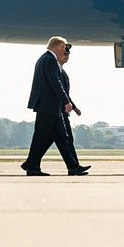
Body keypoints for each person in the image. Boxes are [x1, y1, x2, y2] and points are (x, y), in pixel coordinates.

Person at [20, 36, 90, 176]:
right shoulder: (49, 60)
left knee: (62, 137)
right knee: (41, 137)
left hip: (51, 106)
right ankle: (32, 166)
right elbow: (55, 83)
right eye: (64, 48)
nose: (65, 51)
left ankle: (72, 166)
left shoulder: (45, 60)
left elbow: (57, 84)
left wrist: (70, 104)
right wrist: (66, 102)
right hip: (48, 105)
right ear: (58, 47)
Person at [59, 44, 89, 173]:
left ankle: (32, 163)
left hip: (60, 110)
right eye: (65, 54)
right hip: (58, 110)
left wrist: (74, 107)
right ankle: (73, 167)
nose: (67, 57)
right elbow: (59, 90)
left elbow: (64, 92)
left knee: (63, 139)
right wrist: (69, 105)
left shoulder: (60, 70)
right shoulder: (55, 68)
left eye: (68, 55)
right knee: (66, 139)